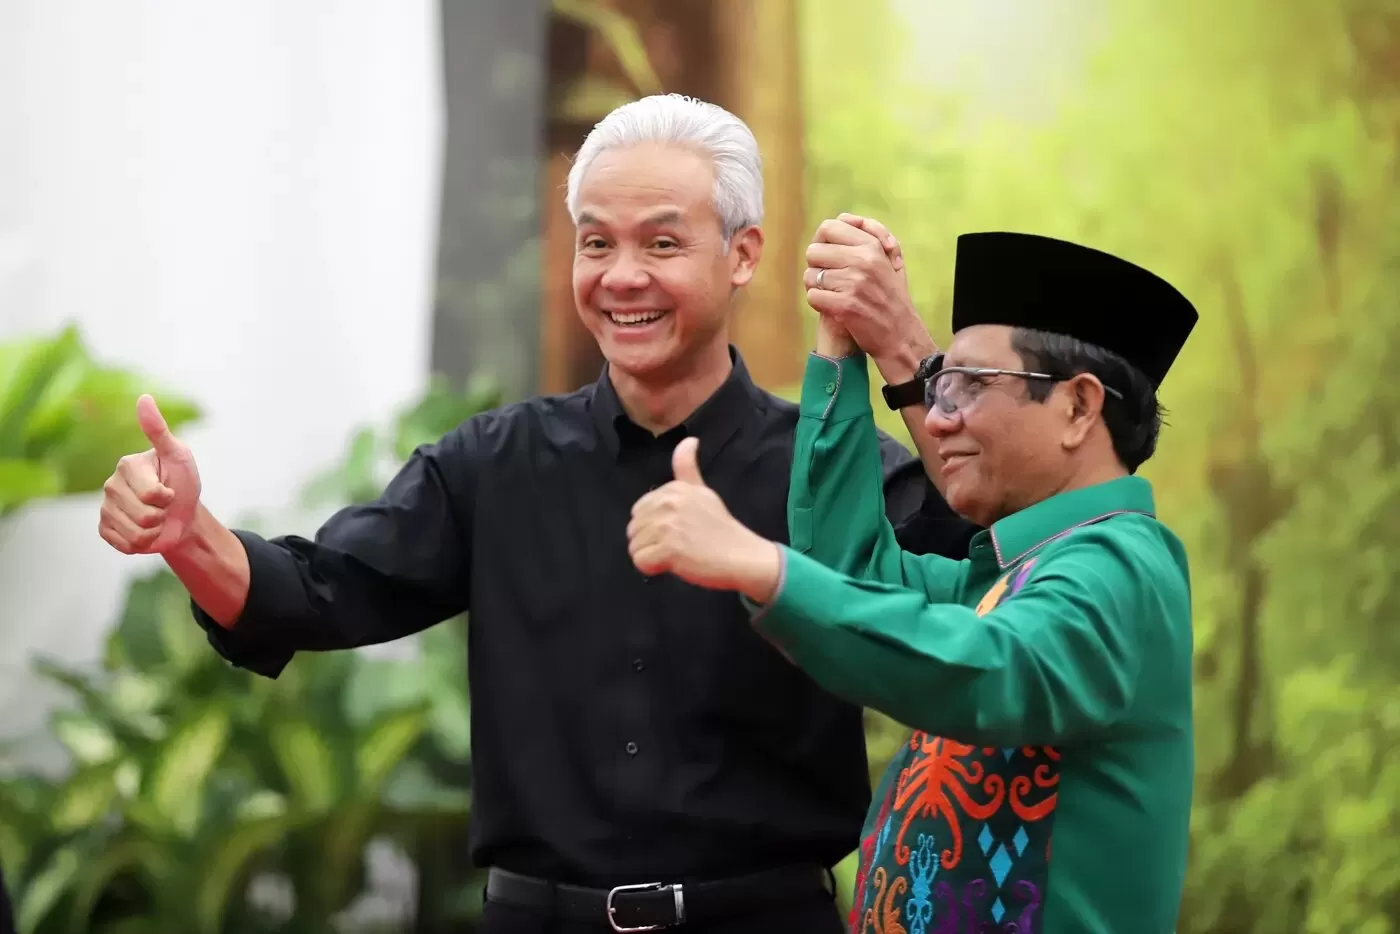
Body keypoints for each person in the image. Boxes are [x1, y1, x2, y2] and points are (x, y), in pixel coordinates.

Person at [96, 94, 977, 934]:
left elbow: (992, 570)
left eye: (661, 242)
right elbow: (314, 593)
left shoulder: (831, 468)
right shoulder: (495, 462)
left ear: (741, 254)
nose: (622, 276)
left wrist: (905, 349)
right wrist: (188, 535)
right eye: (596, 242)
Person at [625, 230, 1198, 934]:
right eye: (941, 388)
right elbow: (845, 575)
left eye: (969, 387)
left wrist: (756, 563)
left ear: (1078, 408)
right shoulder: (1004, 581)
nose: (939, 419)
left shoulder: (1122, 561)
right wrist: (839, 349)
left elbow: (993, 669)